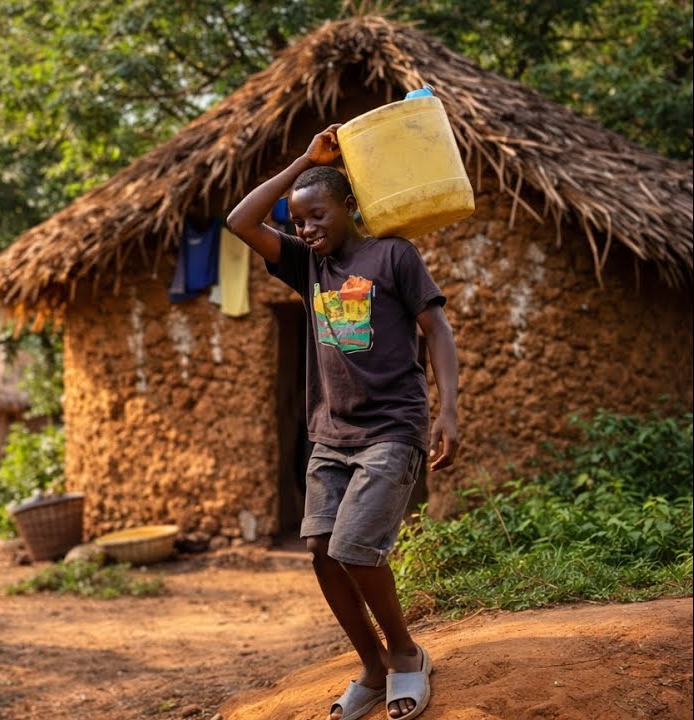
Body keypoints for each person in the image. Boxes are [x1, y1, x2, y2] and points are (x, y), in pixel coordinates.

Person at [226, 124, 460, 720]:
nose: (306, 229)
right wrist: (304, 162)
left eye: (318, 215)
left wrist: (449, 410)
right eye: (298, 220)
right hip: (330, 434)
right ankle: (373, 668)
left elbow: (437, 330)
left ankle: (406, 655)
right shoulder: (306, 265)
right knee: (320, 550)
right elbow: (240, 221)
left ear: (350, 206)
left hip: (392, 428)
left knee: (356, 548)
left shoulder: (393, 255)